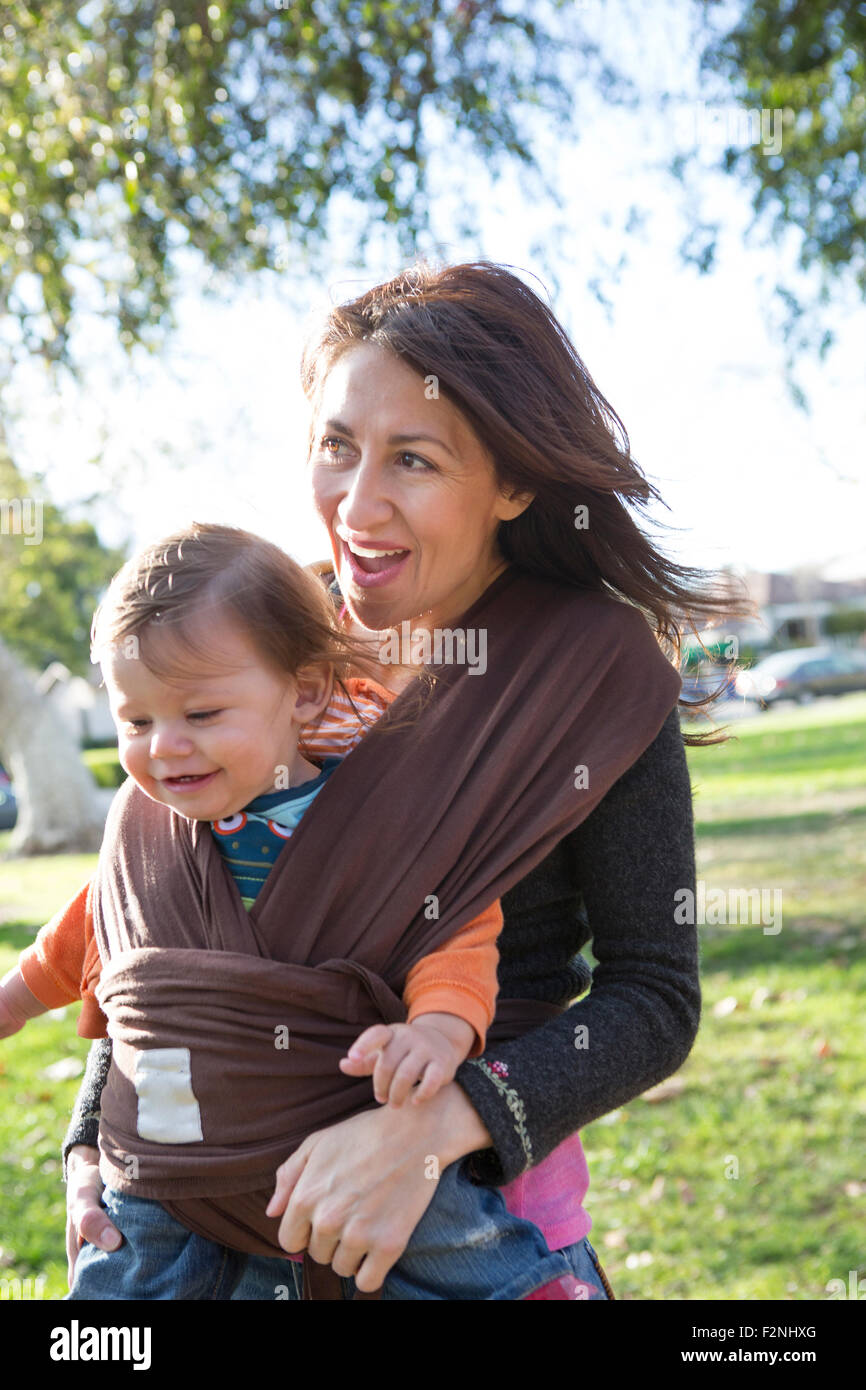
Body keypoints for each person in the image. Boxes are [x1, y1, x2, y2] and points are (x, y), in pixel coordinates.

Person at [59, 260, 748, 1301]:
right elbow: (159, 932)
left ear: (513, 482)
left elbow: (652, 995)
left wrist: (427, 1129)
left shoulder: (590, 675)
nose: (356, 503)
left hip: (461, 1234)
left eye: (413, 460)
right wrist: (89, 1150)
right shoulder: (243, 639)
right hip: (199, 1237)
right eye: (336, 446)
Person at [1, 522, 590, 1300]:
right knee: (130, 1260)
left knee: (443, 1228)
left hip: (335, 1128)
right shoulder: (143, 830)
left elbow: (452, 929)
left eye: (202, 715)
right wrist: (11, 1004)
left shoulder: (375, 816)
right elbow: (86, 938)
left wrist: (438, 1028)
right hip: (170, 1139)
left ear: (304, 691)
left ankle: (524, 1290)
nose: (165, 747)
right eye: (136, 722)